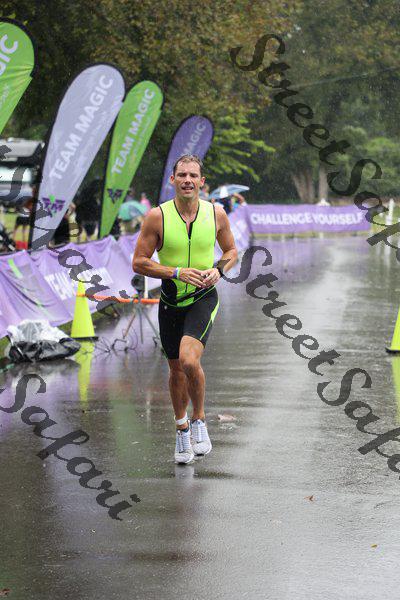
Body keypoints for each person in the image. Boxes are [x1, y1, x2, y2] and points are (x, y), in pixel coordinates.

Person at [133, 154, 238, 464]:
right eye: (182, 175)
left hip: (203, 298)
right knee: (176, 369)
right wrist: (176, 272)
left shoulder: (216, 213)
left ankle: (199, 419)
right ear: (173, 180)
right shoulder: (157, 217)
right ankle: (181, 430)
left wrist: (218, 270)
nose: (188, 180)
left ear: (202, 182)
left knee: (189, 360)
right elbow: (139, 262)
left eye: (193, 175)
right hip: (170, 302)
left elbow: (231, 250)